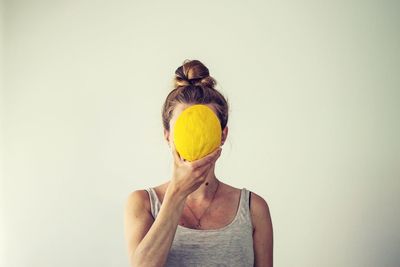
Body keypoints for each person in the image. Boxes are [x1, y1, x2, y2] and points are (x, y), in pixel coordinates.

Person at [124, 59, 273, 267]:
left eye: (205, 127)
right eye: (184, 128)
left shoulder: (253, 208)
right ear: (168, 135)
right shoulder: (143, 203)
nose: (195, 136)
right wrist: (177, 193)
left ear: (223, 135)